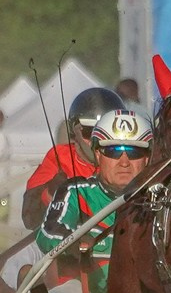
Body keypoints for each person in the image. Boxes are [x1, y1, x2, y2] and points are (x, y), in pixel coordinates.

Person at [9, 107, 150, 293]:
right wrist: (73, 241)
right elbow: (48, 232)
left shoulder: (160, 197)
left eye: (133, 153)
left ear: (147, 158)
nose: (124, 162)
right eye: (113, 151)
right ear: (97, 154)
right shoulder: (76, 190)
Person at [21, 86, 122, 228]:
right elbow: (30, 219)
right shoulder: (59, 157)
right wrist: (50, 193)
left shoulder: (130, 158)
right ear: (73, 131)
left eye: (107, 133)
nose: (98, 141)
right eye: (90, 132)